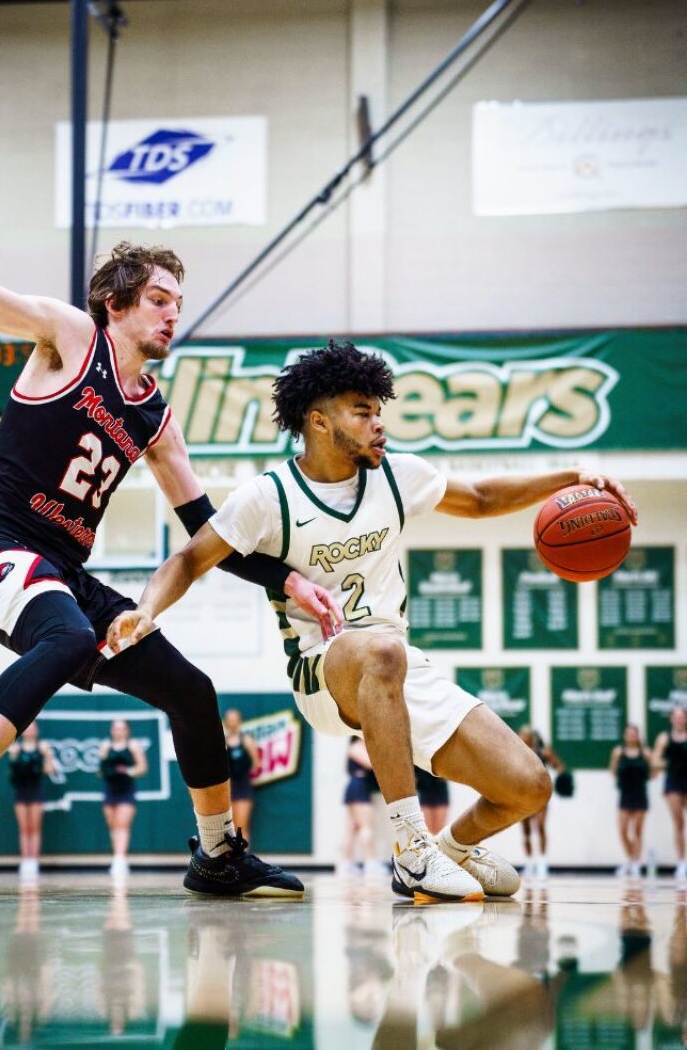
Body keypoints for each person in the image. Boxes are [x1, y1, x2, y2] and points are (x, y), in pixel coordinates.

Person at [0, 127, 342, 900]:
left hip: (59, 568)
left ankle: (217, 852)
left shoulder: (156, 417)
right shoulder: (69, 336)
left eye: (177, 304)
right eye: (159, 301)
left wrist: (285, 579)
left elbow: (204, 533)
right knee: (65, 632)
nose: (172, 316)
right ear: (116, 303)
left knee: (191, 690)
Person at [108, 340, 639, 904]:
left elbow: (482, 498)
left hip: (397, 666)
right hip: (323, 670)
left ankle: (449, 849)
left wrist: (574, 476)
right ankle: (411, 851)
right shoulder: (270, 497)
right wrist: (144, 610)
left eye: (378, 410)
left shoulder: (397, 476)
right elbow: (189, 558)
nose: (378, 423)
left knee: (529, 786)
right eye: (362, 411)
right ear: (318, 421)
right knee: (382, 650)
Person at [7, 721, 58, 880]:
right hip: (21, 791)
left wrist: (46, 759)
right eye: (27, 728)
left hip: (36, 791)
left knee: (34, 827)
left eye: (32, 728)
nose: (29, 731)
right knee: (24, 827)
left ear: (37, 730)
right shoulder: (16, 748)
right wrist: (15, 758)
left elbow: (50, 769)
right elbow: (12, 773)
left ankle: (33, 860)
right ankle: (25, 859)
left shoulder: (42, 747)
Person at [98, 719, 147, 880]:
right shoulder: (105, 746)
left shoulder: (133, 746)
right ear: (112, 730)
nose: (119, 731)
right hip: (110, 790)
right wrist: (108, 770)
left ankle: (119, 861)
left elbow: (142, 767)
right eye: (116, 728)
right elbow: (100, 770)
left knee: (122, 826)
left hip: (126, 791)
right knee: (113, 827)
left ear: (127, 730)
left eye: (122, 728)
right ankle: (120, 857)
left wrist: (127, 771)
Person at [517, 728, 565, 879]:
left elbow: (560, 767)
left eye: (524, 735)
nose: (520, 737)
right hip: (523, 794)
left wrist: (559, 778)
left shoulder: (543, 752)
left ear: (531, 738)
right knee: (526, 830)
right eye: (520, 735)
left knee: (540, 826)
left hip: (540, 794)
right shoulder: (517, 752)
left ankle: (543, 862)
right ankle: (530, 862)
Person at [610, 724, 654, 878]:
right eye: (628, 733)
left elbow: (653, 772)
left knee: (637, 831)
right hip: (625, 794)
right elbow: (613, 770)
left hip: (640, 794)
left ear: (638, 736)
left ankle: (635, 863)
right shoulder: (618, 752)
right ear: (625, 735)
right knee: (622, 830)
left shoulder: (646, 753)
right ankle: (631, 859)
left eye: (634, 733)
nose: (631, 736)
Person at [340, 735, 386, 878]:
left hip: (361, 788)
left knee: (352, 828)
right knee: (365, 827)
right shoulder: (356, 748)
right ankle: (370, 863)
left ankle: (346, 864)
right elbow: (371, 764)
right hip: (358, 788)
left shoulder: (362, 747)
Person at [652, 704, 687, 881]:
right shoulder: (664, 738)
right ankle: (682, 863)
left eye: (683, 716)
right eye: (677, 716)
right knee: (679, 823)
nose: (680, 719)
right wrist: (667, 764)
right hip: (673, 783)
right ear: (672, 719)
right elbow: (655, 761)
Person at [222, 710, 260, 844]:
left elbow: (256, 763)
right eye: (230, 720)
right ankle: (228, 861)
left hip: (243, 787)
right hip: (227, 788)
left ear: (239, 721)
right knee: (228, 829)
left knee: (241, 827)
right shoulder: (222, 743)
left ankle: (243, 861)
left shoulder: (247, 741)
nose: (232, 723)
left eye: (235, 719)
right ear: (226, 722)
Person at [415, 766, 450, 836]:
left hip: (439, 789)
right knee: (427, 829)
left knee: (439, 830)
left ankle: (437, 845)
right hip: (424, 789)